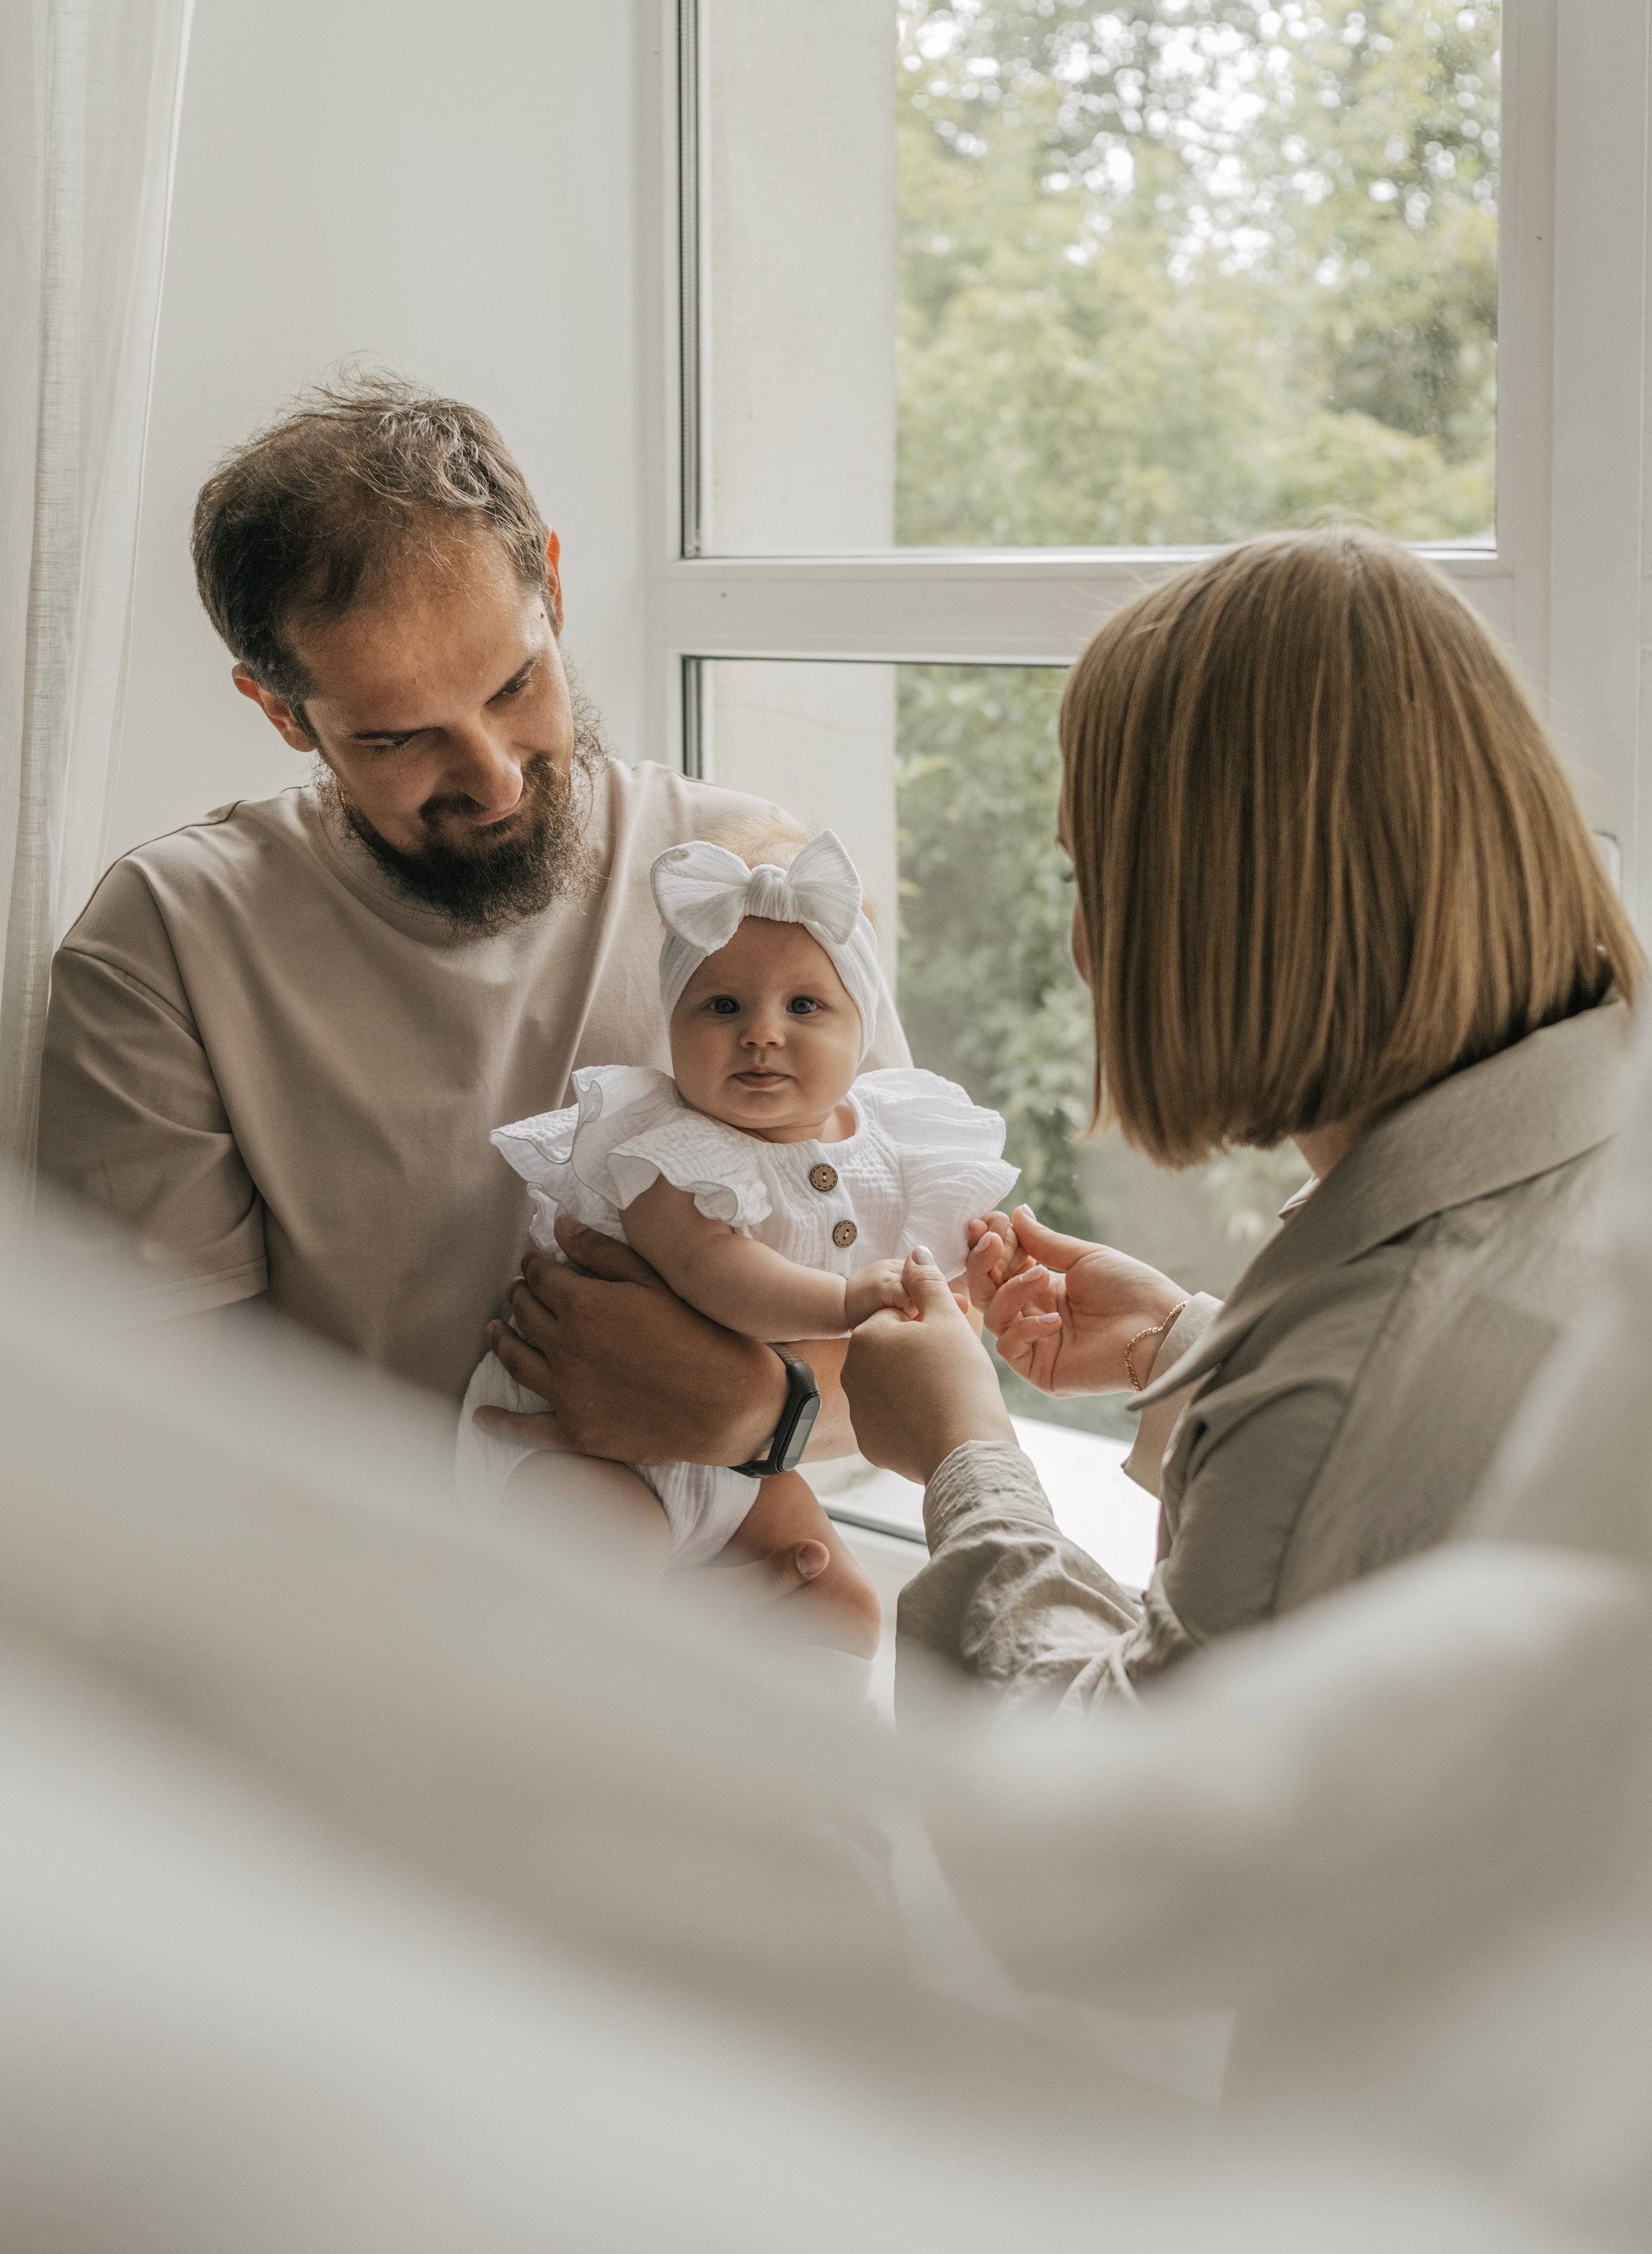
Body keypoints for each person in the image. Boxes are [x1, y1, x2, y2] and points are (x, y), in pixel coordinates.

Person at [37, 374, 910, 1604]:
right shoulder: (168, 943)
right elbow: (173, 1467)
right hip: (388, 1696)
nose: (492, 777)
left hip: (757, 1664)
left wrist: (757, 1414)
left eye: (515, 686)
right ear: (279, 708)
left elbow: (934, 1362)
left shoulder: (754, 892)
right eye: (397, 737)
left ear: (552, 584)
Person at [841, 527, 1642, 1712]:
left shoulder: (1348, 1392)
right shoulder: (1586, 1155)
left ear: (1204, 910)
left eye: (1089, 877)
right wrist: (1192, 1351)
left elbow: (1127, 1842)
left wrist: (966, 1458)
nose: (1077, 944)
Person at [460, 826, 1016, 1650]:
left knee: (846, 1604)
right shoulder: (666, 1146)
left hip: (741, 1469)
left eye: (803, 1006)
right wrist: (844, 1299)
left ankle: (820, 1777)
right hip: (576, 1443)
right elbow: (714, 1271)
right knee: (607, 1570)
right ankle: (650, 1645)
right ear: (674, 1022)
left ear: (859, 1023)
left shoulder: (895, 1145)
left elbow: (936, 1294)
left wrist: (988, 1270)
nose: (761, 1032)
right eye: (721, 1006)